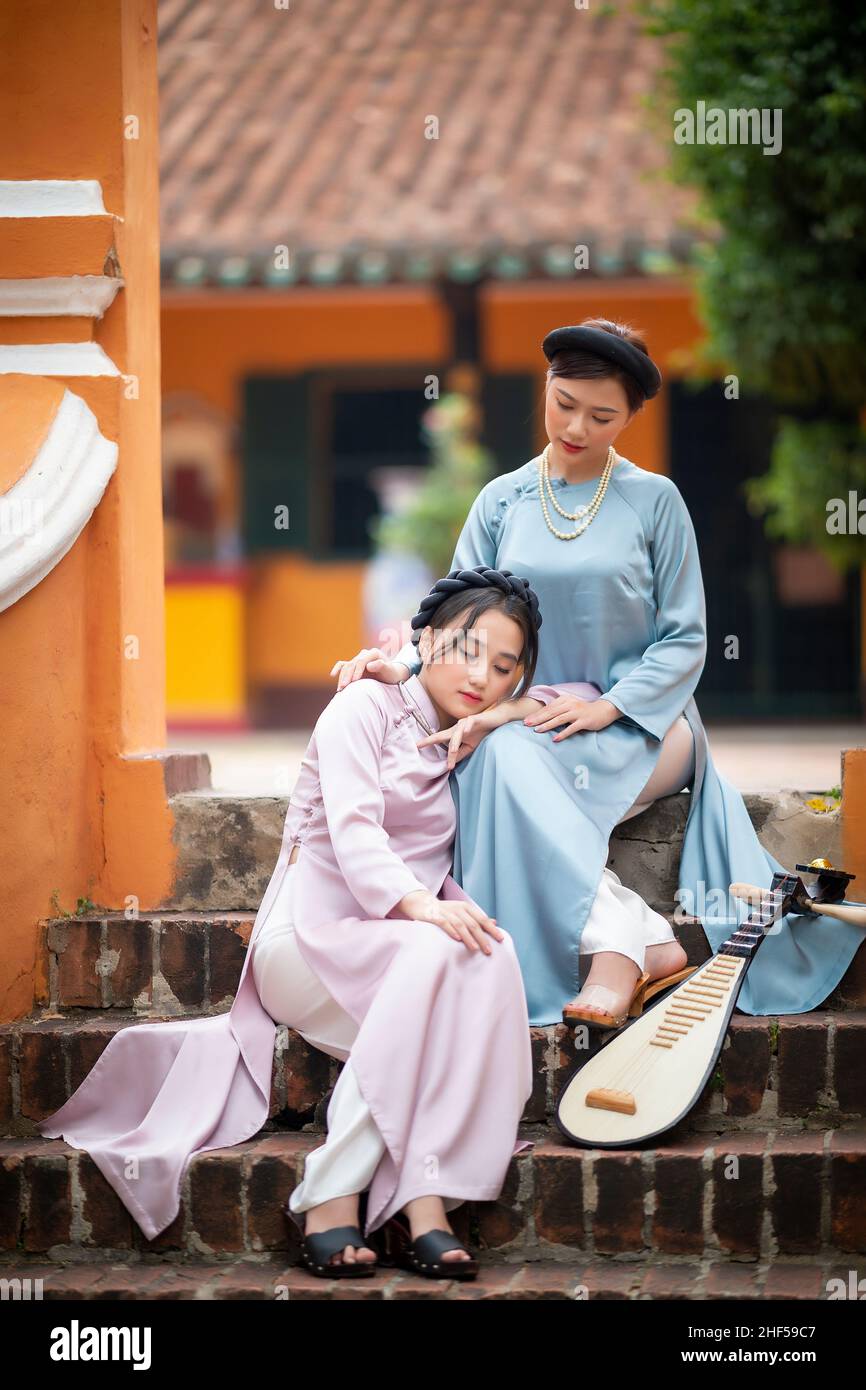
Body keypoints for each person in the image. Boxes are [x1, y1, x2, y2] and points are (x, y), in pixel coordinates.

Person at [39, 568, 572, 1280]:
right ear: (429, 642)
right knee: (438, 958)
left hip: (394, 951)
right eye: (466, 651)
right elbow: (354, 836)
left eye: (503, 667)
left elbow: (567, 700)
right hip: (311, 942)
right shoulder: (363, 709)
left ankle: (423, 1199)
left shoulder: (460, 737)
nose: (481, 676)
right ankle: (345, 1201)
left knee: (491, 960)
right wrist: (422, 907)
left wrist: (499, 716)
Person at [330, 318, 864, 1028]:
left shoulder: (655, 501)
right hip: (528, 721)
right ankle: (638, 942)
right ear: (546, 390)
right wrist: (396, 664)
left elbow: (684, 638)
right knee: (489, 757)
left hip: (647, 723)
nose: (577, 426)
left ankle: (615, 951)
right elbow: (454, 616)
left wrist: (610, 707)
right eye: (564, 404)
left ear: (631, 417)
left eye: (602, 415)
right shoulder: (503, 500)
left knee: (503, 760)